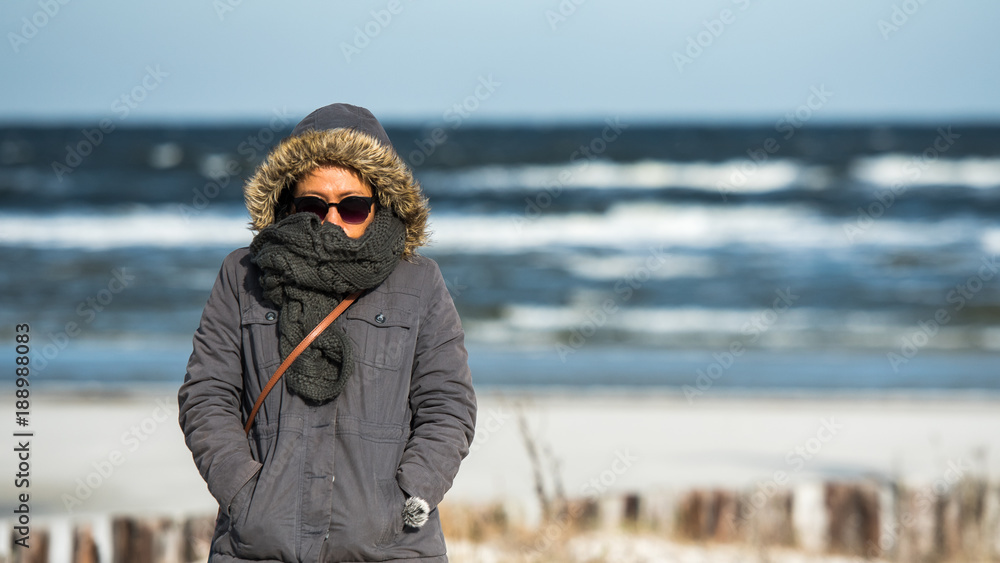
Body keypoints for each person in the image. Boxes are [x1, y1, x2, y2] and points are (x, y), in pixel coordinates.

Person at [177, 103, 477, 562]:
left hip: (391, 550)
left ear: (380, 204)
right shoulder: (243, 275)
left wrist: (411, 497)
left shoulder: (417, 282)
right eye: (313, 206)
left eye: (353, 207)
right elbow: (206, 395)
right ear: (288, 204)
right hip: (258, 549)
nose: (332, 221)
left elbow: (448, 405)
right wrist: (242, 494)